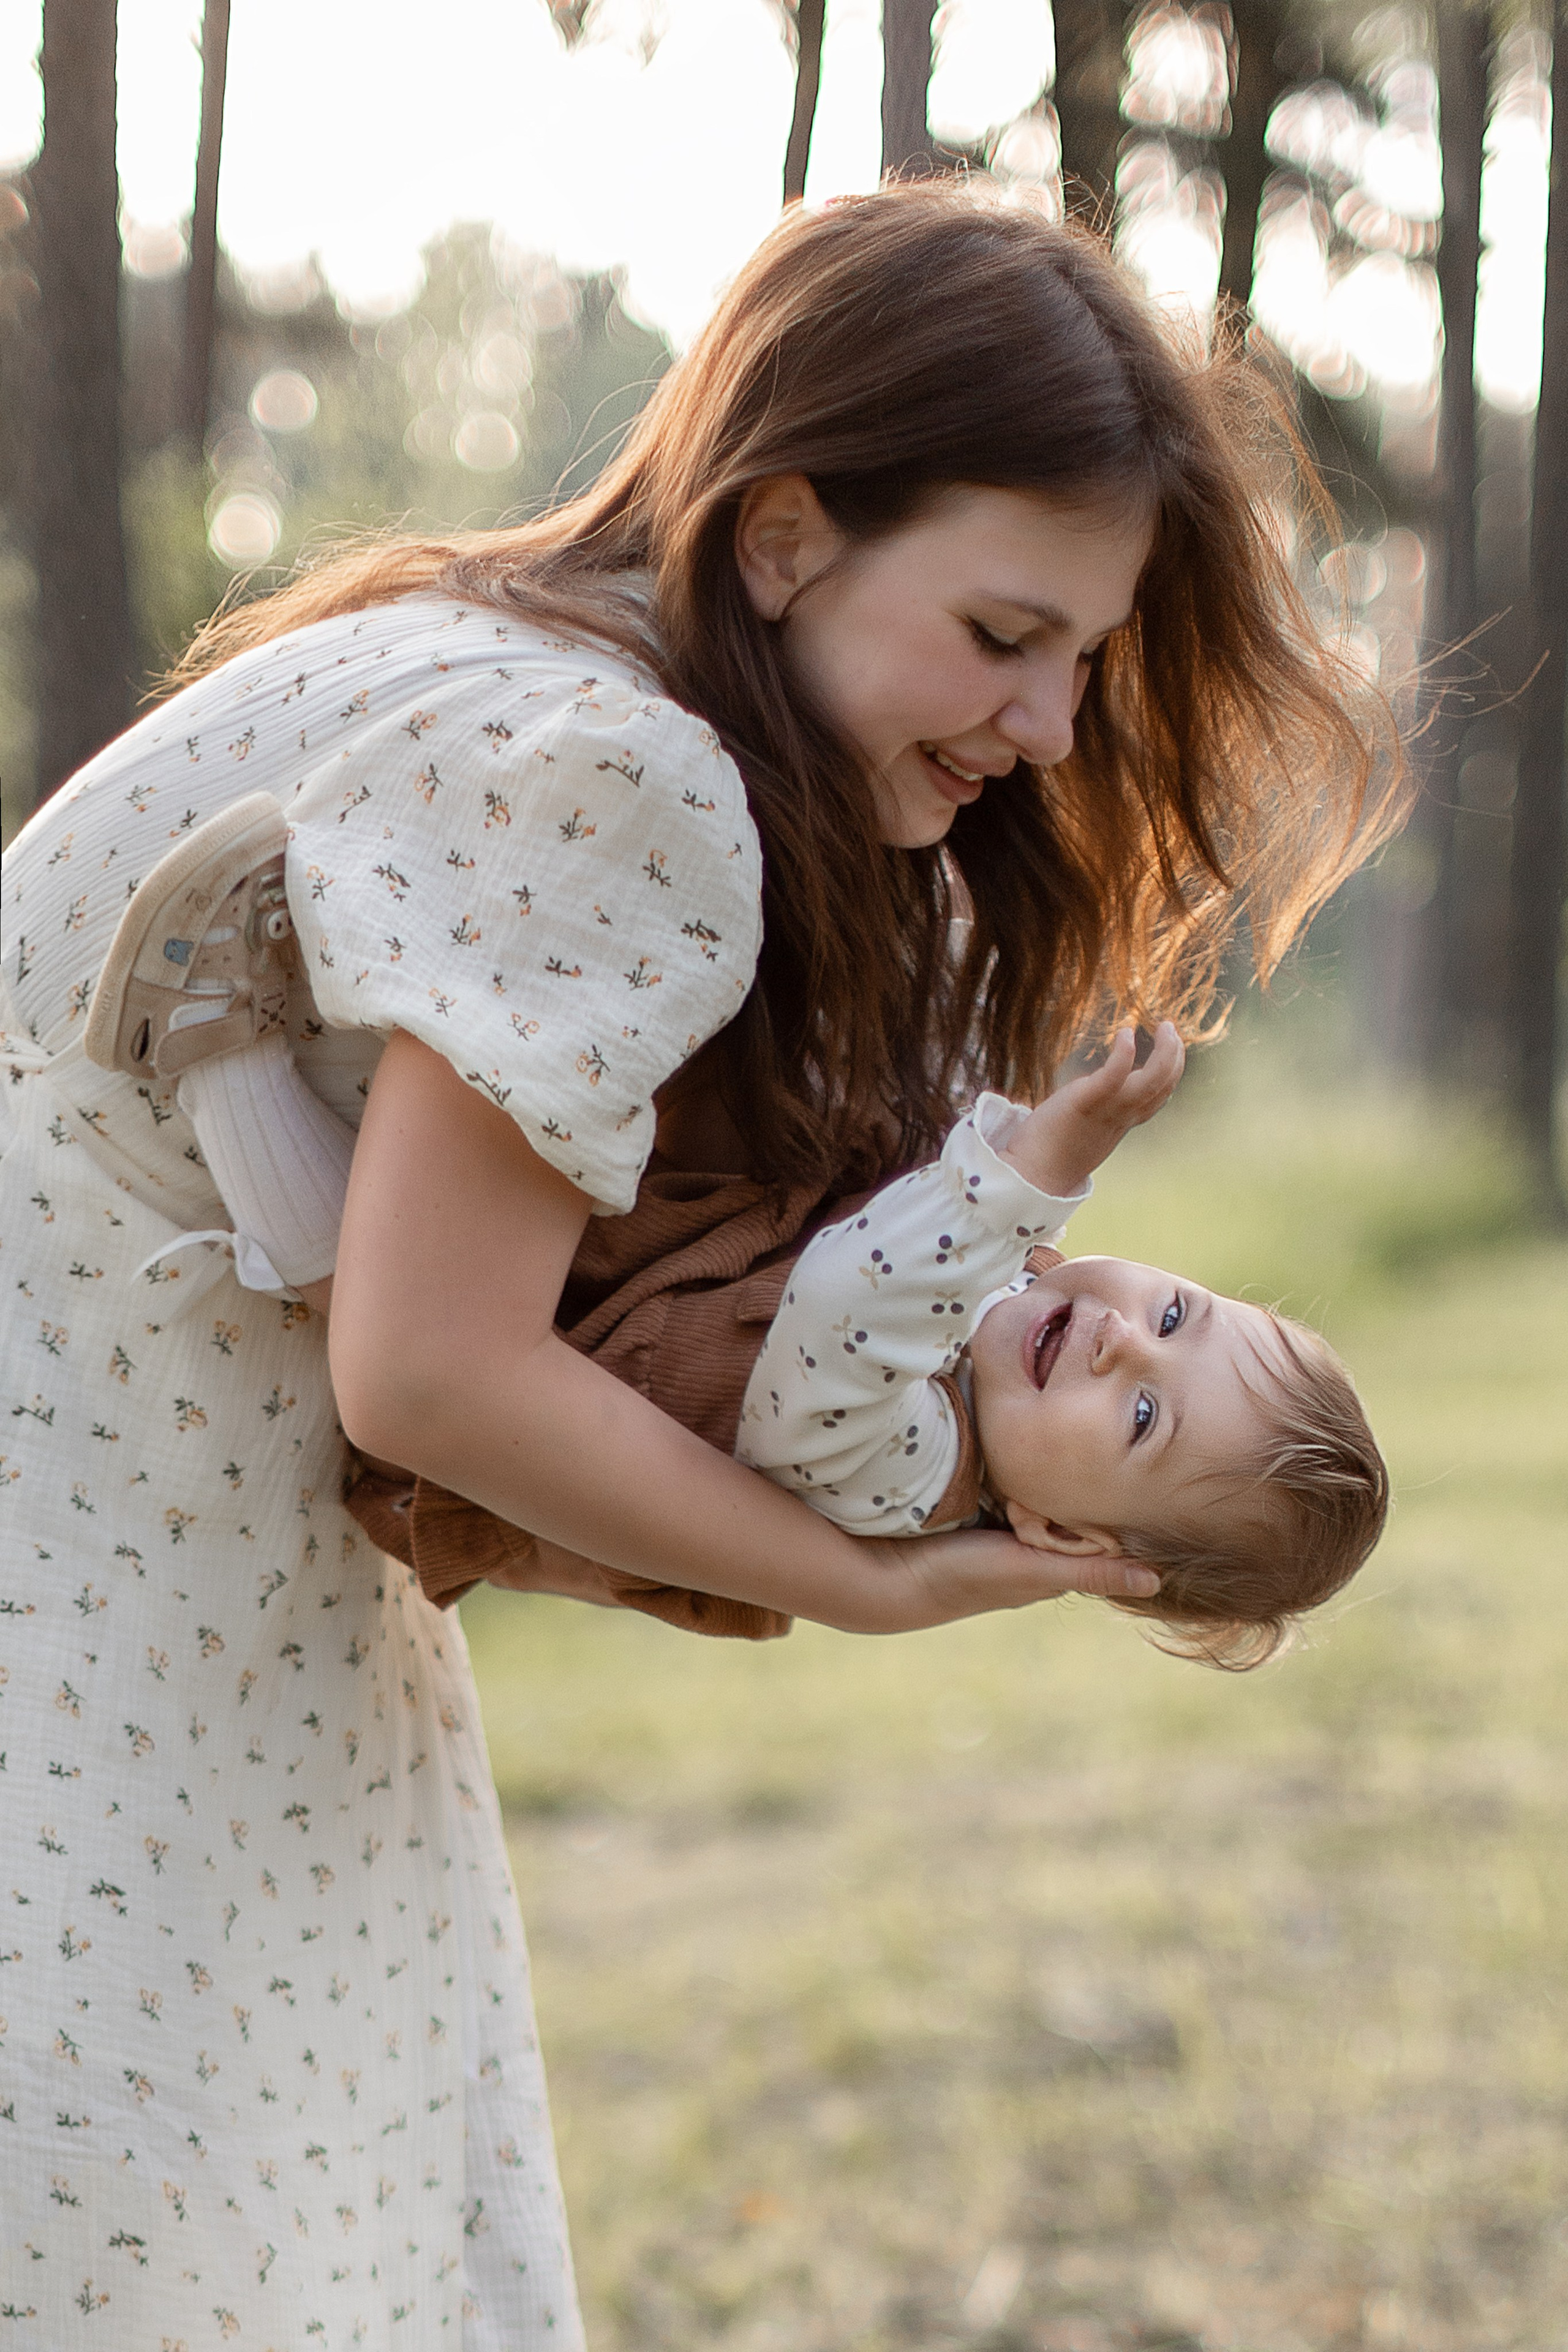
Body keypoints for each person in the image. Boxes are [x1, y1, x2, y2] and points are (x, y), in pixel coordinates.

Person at [0, 184, 1403, 2346]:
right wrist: (850, 1577)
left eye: (1088, 663)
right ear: (783, 539)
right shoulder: (631, 777)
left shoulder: (506, 654)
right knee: (202, 2234)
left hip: (133, 1490)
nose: (1048, 726)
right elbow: (433, 1377)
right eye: (1006, 637)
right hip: (93, 1530)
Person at [85, 850, 1387, 1676]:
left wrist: (1037, 1159)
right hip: (617, 1257)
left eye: (1144, 1416)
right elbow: (903, 1108)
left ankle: (214, 1052)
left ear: (1051, 1533)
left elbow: (844, 1304)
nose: (1123, 1341)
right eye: (1174, 1310)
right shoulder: (998, 1295)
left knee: (351, 1284)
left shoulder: (911, 1480)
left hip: (536, 1358)